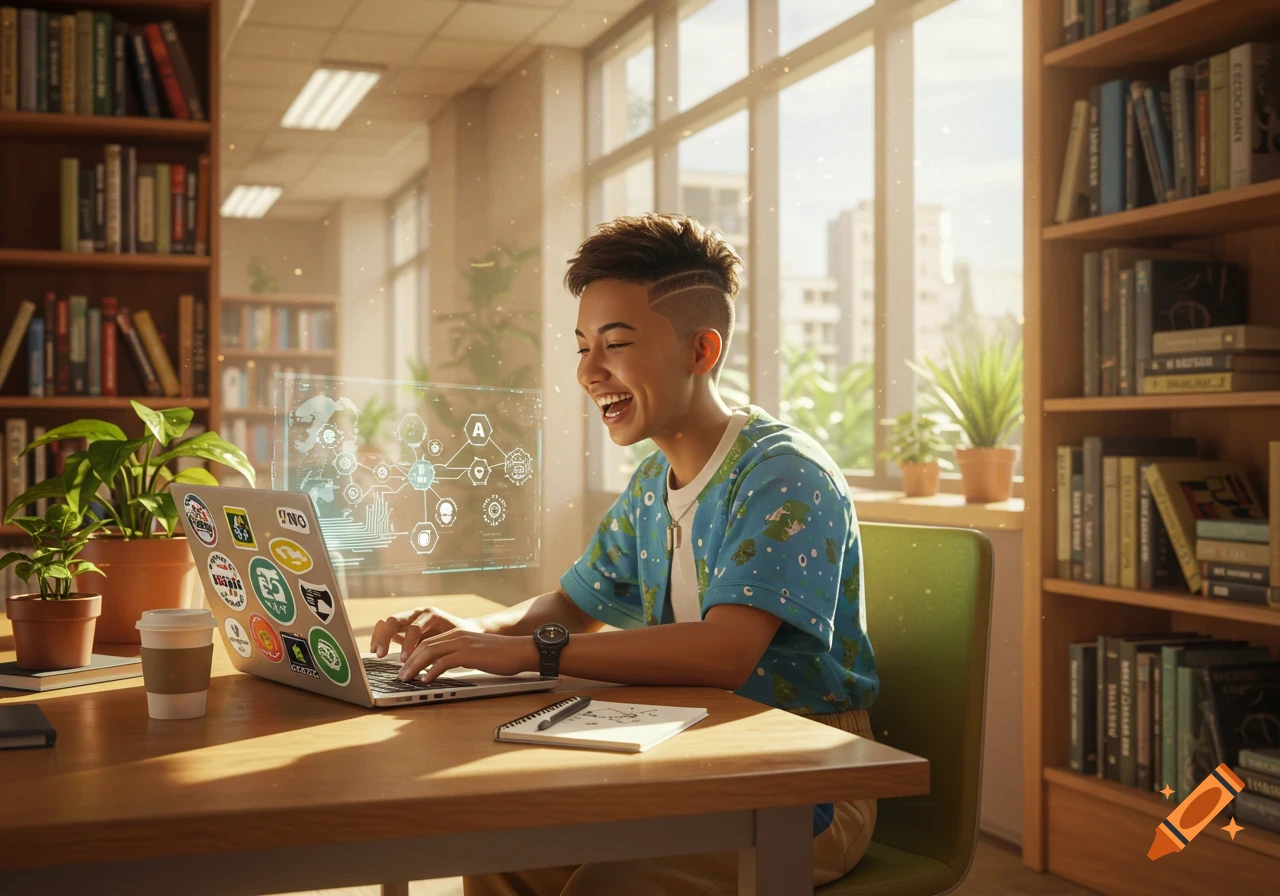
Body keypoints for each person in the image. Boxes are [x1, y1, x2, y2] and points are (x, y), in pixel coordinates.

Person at [369, 213, 880, 895]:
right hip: (687, 749)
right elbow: (573, 605)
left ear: (702, 351)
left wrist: (535, 651)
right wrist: (471, 636)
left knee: (607, 887)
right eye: (582, 346)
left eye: (614, 344)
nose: (588, 372)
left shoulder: (782, 475)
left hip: (802, 779)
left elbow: (724, 654)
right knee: (500, 849)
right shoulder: (649, 484)